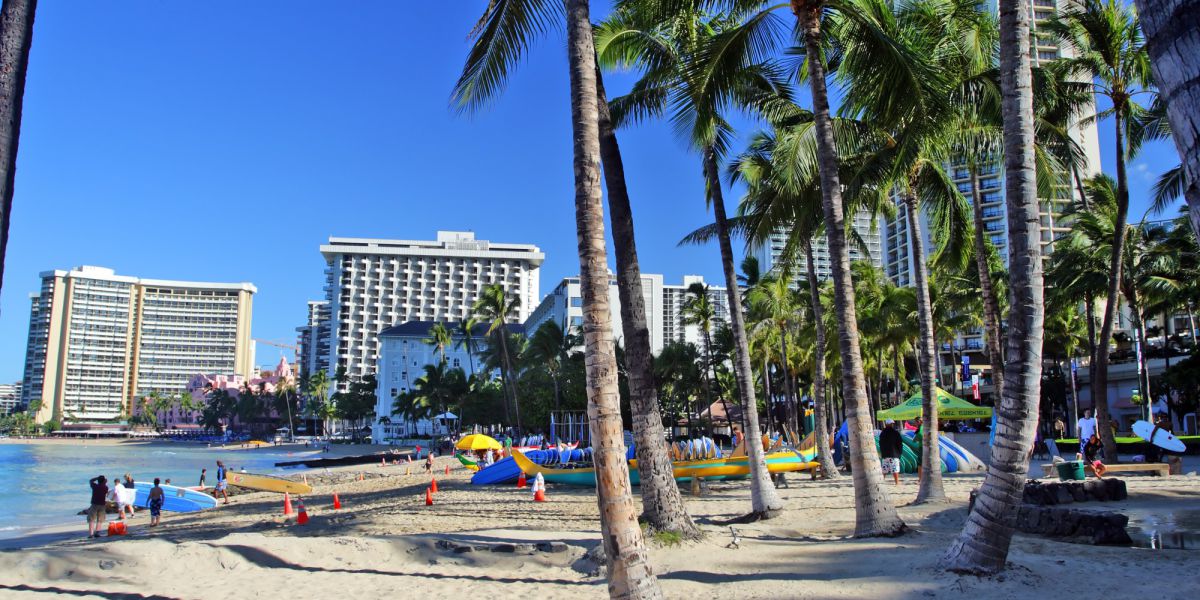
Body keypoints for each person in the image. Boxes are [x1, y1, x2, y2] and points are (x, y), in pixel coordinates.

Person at [879, 420, 903, 485]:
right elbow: (899, 443)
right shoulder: (895, 433)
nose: (892, 425)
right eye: (892, 424)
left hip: (885, 454)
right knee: (895, 469)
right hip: (894, 454)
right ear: (891, 424)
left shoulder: (882, 433)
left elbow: (880, 443)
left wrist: (882, 452)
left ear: (886, 424)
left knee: (884, 469)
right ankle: (897, 483)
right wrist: (900, 452)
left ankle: (881, 482)